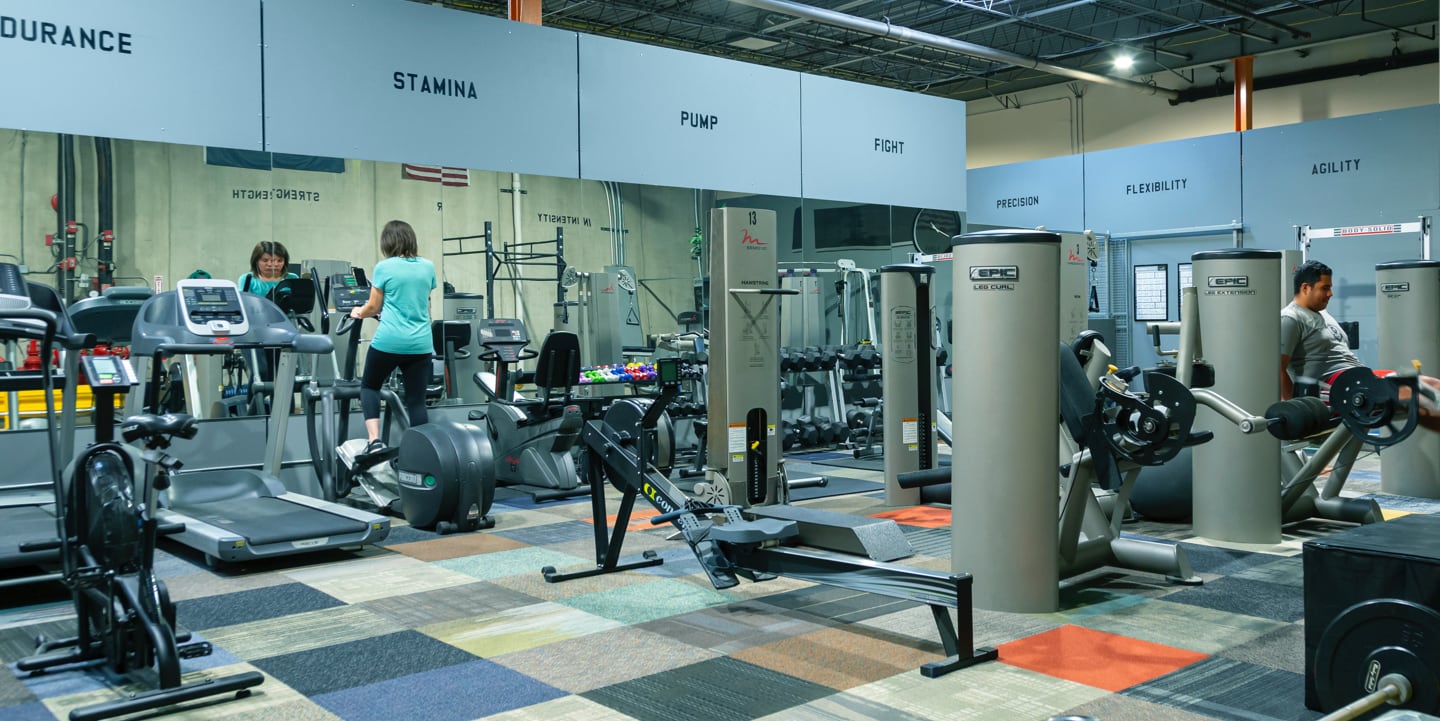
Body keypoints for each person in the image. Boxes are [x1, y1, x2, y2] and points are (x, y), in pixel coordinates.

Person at [1280, 259, 1440, 430]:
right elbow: (1278, 368)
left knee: (1431, 384)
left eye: (1330, 287)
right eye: (1325, 288)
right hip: (1337, 390)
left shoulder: (1323, 314)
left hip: (1359, 379)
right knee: (1415, 395)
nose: (1330, 293)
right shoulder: (1291, 318)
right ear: (1305, 288)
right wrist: (1296, 410)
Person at [351, 220, 436, 453]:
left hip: (390, 341)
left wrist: (359, 311)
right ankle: (423, 450)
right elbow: (418, 300)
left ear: (386, 243)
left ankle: (374, 441)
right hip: (420, 343)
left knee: (369, 386)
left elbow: (374, 307)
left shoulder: (384, 267)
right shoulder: (428, 266)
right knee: (416, 400)